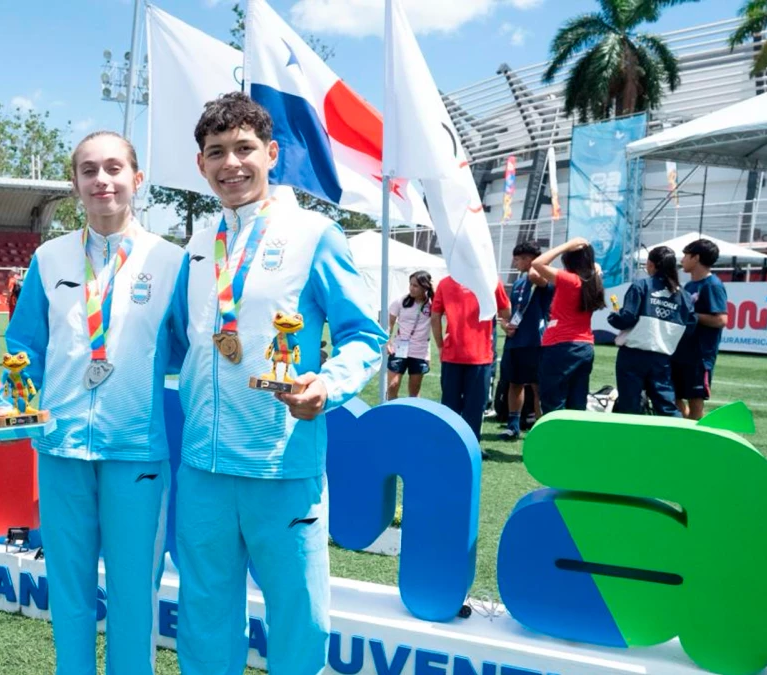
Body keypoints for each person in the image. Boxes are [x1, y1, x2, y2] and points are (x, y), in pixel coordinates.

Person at [169, 92, 386, 675]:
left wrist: (330, 386)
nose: (231, 163)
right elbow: (170, 342)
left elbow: (364, 335)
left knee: (300, 621)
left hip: (281, 465)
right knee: (205, 617)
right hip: (203, 469)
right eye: (216, 152)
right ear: (201, 164)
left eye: (244, 149)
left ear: (271, 153)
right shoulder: (194, 246)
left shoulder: (315, 233)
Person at [1, 130, 183, 675]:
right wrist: (15, 404)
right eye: (88, 170)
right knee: (70, 590)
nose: (101, 180)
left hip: (136, 453)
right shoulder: (49, 256)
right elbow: (24, 345)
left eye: (113, 168)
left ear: (136, 178)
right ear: (75, 183)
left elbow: (184, 350)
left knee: (133, 594)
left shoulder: (172, 261)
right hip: (59, 448)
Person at [607, 246, 694, 416]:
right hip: (662, 357)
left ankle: (633, 441)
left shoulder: (641, 286)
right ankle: (677, 438)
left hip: (633, 355)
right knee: (666, 406)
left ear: (651, 265)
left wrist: (613, 317)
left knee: (630, 406)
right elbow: (690, 327)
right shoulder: (685, 296)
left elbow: (627, 318)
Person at [431, 274, 511, 441]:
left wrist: (440, 345)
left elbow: (435, 316)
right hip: (479, 356)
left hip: (455, 354)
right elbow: (506, 311)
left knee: (450, 405)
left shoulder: (446, 283)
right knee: (475, 407)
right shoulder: (491, 280)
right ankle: (471, 446)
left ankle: (449, 444)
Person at [533, 237, 606, 412]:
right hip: (585, 346)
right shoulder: (593, 280)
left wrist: (565, 245)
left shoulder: (570, 280)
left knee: (552, 400)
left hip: (561, 345)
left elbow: (537, 264)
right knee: (577, 402)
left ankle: (554, 438)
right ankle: (575, 438)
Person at [498, 242, 552, 440]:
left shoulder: (542, 278)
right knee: (514, 383)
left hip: (536, 341)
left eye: (520, 258)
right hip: (515, 341)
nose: (515, 262)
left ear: (531, 259)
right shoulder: (519, 282)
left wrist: (536, 265)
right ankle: (513, 425)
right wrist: (505, 324)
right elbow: (511, 312)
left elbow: (538, 278)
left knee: (538, 386)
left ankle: (540, 429)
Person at [671, 238, 728, 420]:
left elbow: (720, 319)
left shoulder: (712, 285)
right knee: (672, 395)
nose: (682, 260)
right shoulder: (689, 285)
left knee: (695, 399)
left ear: (695, 258)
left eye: (686, 255)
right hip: (682, 351)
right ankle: (686, 431)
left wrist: (693, 316)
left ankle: (694, 439)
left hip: (700, 354)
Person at [386, 271, 435, 400]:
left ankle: (412, 418)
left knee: (414, 391)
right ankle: (389, 415)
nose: (411, 288)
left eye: (416, 286)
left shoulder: (432, 305)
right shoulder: (400, 301)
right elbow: (389, 324)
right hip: (399, 349)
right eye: (411, 284)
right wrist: (387, 342)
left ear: (425, 287)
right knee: (393, 385)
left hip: (420, 351)